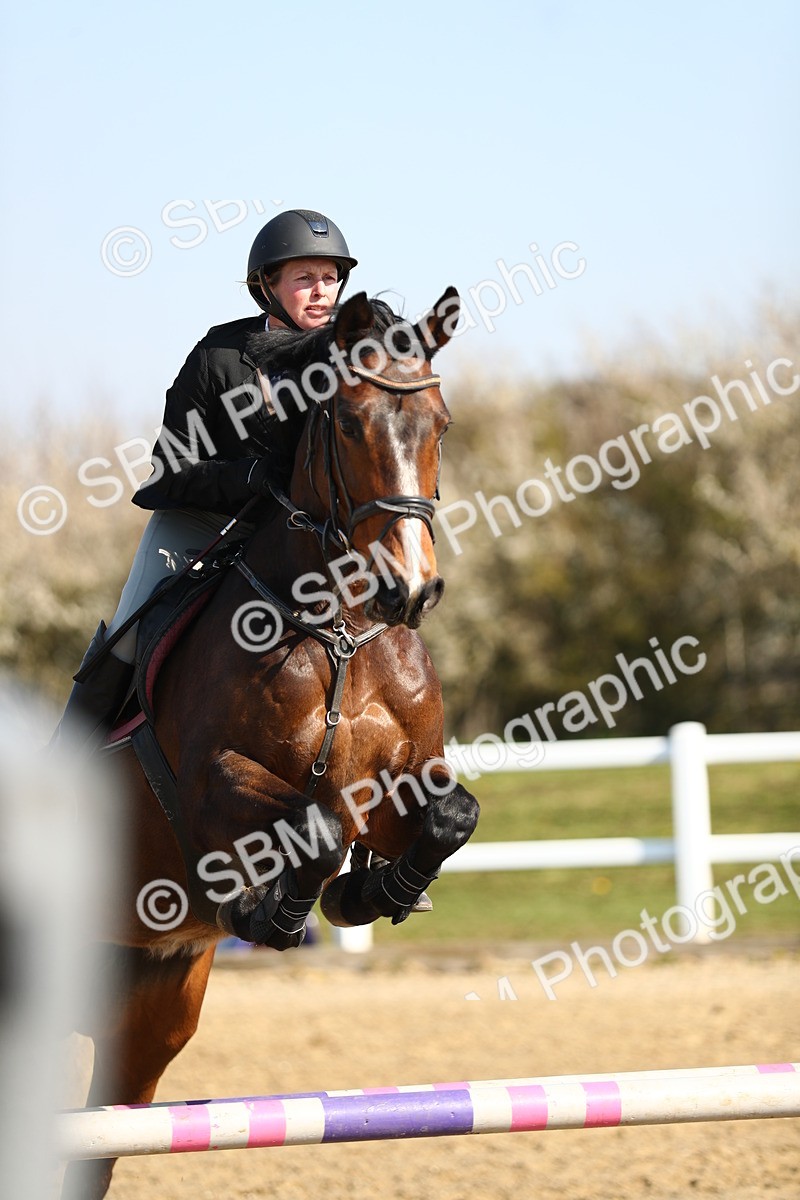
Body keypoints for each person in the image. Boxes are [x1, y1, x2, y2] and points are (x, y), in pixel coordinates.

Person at [56, 209, 357, 748]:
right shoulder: (220, 356)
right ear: (268, 285)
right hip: (205, 524)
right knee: (127, 636)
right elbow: (169, 469)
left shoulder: (354, 360)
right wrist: (250, 476)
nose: (321, 292)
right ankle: (65, 762)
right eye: (304, 279)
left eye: (330, 278)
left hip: (307, 535)